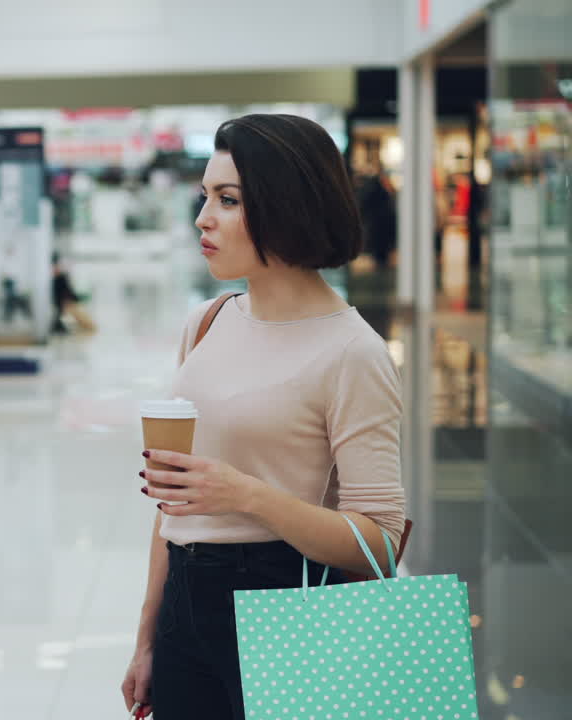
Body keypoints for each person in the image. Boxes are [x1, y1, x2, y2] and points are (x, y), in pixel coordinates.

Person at [121, 114, 406, 719]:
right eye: (205, 197)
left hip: (287, 600)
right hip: (184, 604)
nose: (203, 218)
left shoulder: (352, 351)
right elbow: (172, 505)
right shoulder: (208, 321)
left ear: (287, 205)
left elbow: (379, 544)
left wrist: (247, 494)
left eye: (228, 200)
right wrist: (147, 639)